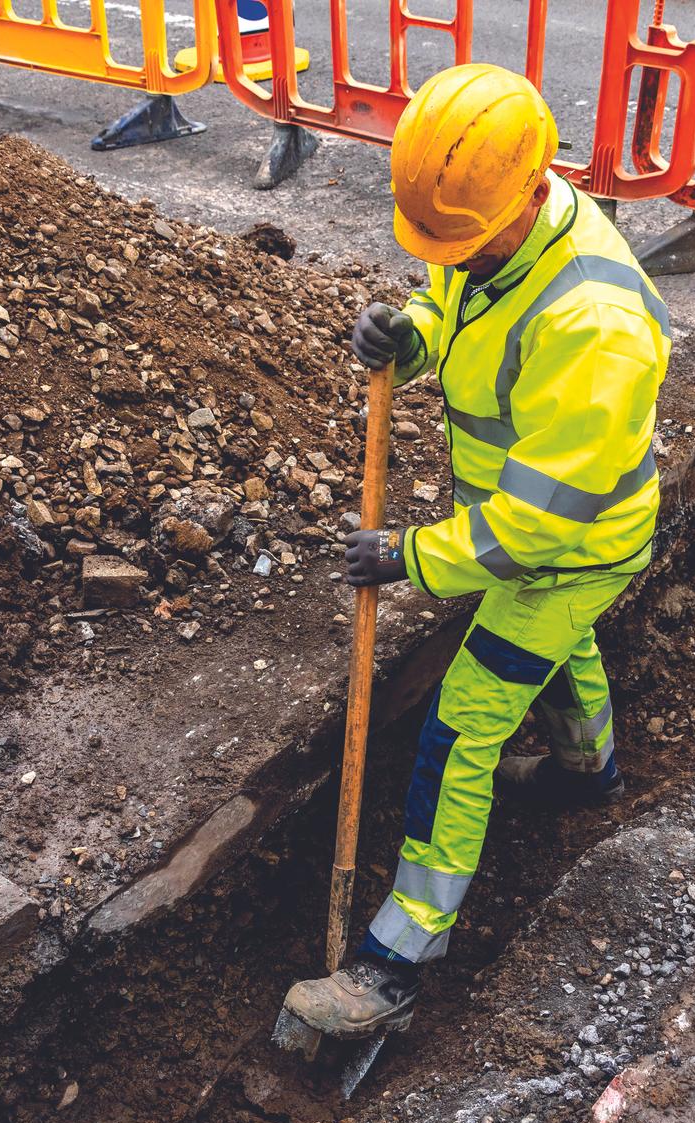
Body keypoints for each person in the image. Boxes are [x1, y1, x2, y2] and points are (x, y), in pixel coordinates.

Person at [282, 63, 671, 1039]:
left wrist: (408, 558)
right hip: (531, 532)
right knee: (556, 648)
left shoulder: (597, 328)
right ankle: (590, 770)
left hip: (571, 548)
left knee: (460, 729)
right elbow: (458, 314)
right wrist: (407, 334)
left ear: (536, 191)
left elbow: (536, 530)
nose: (446, 257)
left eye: (458, 243)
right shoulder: (492, 224)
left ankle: (400, 953)